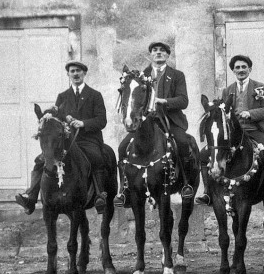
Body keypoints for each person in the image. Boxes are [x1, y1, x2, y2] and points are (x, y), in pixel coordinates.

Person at [15, 61, 108, 214]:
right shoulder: (63, 96)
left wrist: (82, 123)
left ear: (84, 74)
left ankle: (99, 196)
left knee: (96, 157)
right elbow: (57, 120)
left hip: (88, 140)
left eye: (79, 71)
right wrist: (52, 114)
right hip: (67, 141)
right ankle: (31, 198)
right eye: (72, 71)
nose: (76, 74)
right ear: (68, 75)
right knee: (41, 160)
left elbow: (101, 120)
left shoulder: (95, 95)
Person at [114, 41, 196, 208]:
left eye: (162, 51)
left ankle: (186, 183)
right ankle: (125, 189)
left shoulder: (177, 75)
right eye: (155, 50)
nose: (158, 53)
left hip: (169, 120)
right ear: (150, 55)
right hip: (146, 123)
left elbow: (183, 100)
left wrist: (162, 101)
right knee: (123, 147)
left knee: (182, 143)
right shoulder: (142, 75)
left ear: (167, 55)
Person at [195, 54, 264, 205]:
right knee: (204, 153)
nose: (241, 70)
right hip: (233, 133)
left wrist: (250, 113)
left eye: (244, 67)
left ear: (250, 69)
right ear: (233, 70)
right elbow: (222, 111)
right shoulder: (227, 91)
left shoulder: (260, 87)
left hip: (254, 129)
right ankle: (207, 192)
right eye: (237, 67)